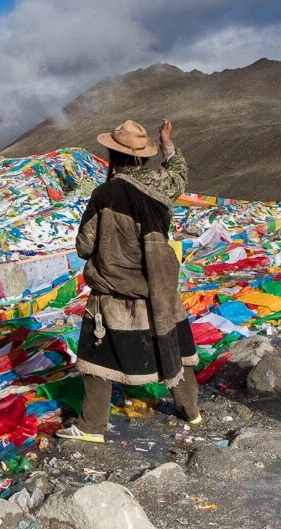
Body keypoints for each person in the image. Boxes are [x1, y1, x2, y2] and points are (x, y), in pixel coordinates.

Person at [57, 118, 201, 442]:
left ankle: (92, 426)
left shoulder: (105, 194)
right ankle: (191, 411)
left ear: (114, 156)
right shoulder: (161, 185)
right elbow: (179, 174)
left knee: (96, 358)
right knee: (173, 347)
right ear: (144, 155)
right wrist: (168, 143)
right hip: (158, 287)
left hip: (115, 292)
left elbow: (84, 245)